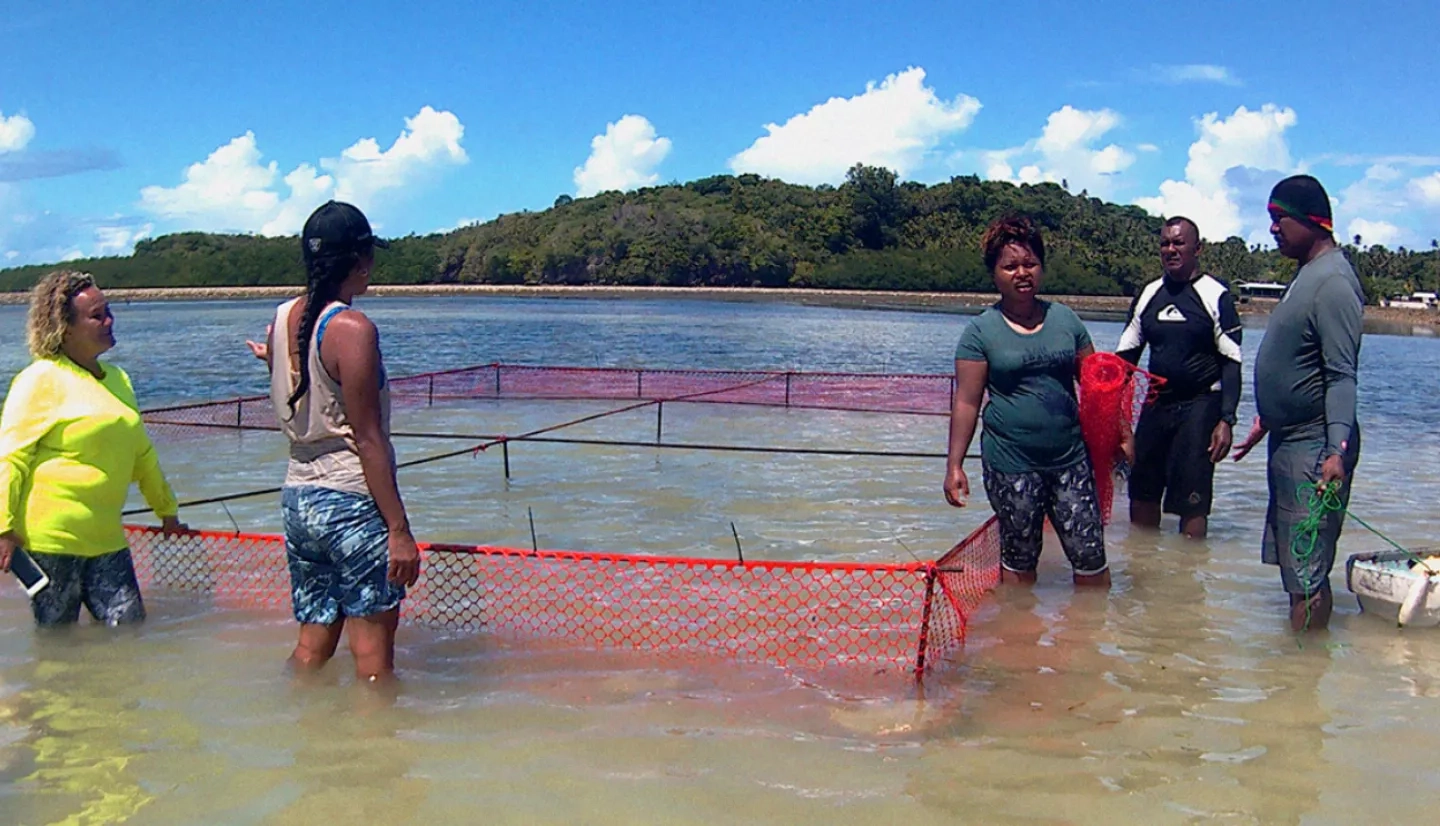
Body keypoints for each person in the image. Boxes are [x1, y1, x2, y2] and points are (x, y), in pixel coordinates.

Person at [253, 200, 420, 684]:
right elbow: (368, 441)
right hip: (350, 501)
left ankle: (299, 736)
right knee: (373, 667)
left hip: (299, 501)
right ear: (360, 262)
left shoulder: (283, 318)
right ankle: (373, 755)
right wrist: (399, 530)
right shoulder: (351, 327)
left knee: (312, 645)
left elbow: (300, 389)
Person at [943, 214, 1125, 587]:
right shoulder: (980, 332)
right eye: (1010, 266)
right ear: (994, 274)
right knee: (1020, 562)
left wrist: (1122, 434)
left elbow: (1097, 386)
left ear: (1041, 268)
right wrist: (954, 466)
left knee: (1091, 559)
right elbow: (966, 403)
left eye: (1030, 264)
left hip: (1070, 460)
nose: (1022, 273)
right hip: (1012, 464)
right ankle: (1019, 639)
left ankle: (1090, 638)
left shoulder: (1066, 320)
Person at [0, 271, 186, 626]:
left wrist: (167, 510)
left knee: (130, 633)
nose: (109, 321)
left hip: (107, 539)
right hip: (51, 541)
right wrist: (3, 528)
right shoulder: (40, 379)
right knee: (58, 646)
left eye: (108, 311)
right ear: (64, 327)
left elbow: (141, 454)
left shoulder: (119, 379)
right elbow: (11, 458)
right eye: (96, 316)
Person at [1233, 175, 1362, 632]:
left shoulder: (1333, 284)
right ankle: (1298, 677)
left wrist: (1336, 451)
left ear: (1311, 220)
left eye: (1279, 218)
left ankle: (1304, 677)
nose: (1272, 229)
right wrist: (1268, 418)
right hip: (1290, 437)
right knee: (1296, 570)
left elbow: (1341, 374)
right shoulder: (1308, 276)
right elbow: (1302, 363)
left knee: (1307, 574)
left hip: (1315, 444)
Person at [1116, 216, 1243, 539]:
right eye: (1165, 244)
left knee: (1192, 499)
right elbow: (1125, 360)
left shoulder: (1216, 296)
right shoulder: (1148, 294)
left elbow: (1232, 363)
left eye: (1178, 243)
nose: (1170, 250)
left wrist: (1226, 420)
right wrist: (1111, 416)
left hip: (1201, 405)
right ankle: (1144, 565)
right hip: (1157, 403)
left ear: (1197, 249)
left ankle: (1191, 564)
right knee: (1141, 489)